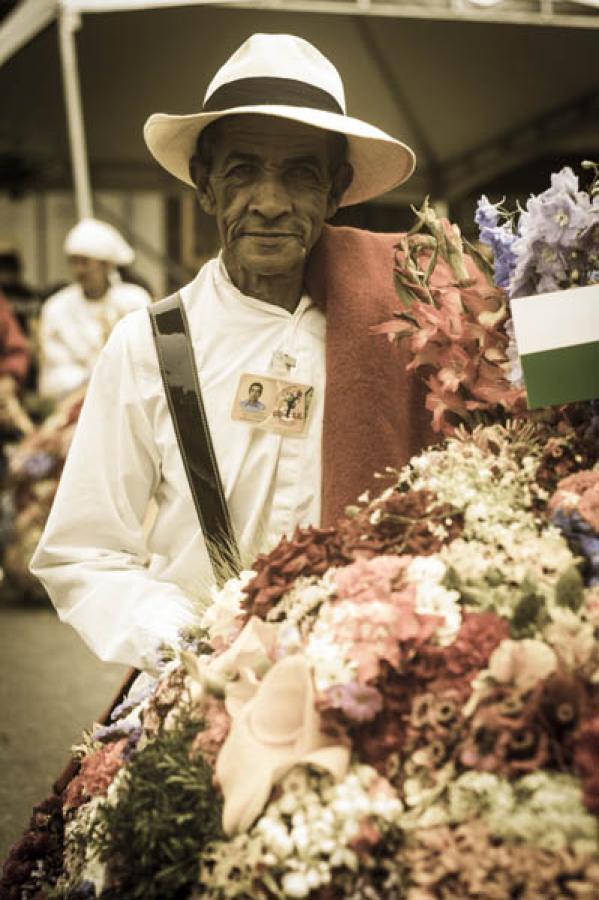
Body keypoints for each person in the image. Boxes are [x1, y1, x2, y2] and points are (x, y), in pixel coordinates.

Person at [30, 34, 434, 671]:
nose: (269, 203)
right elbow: (84, 554)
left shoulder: (403, 329)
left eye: (301, 173)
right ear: (205, 184)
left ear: (337, 189)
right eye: (243, 169)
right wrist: (193, 641)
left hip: (366, 685)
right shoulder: (148, 346)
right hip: (197, 688)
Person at [38, 218, 151, 400]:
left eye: (85, 262)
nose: (78, 270)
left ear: (108, 265)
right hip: (74, 401)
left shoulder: (134, 302)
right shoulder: (56, 307)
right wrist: (91, 380)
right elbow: (53, 372)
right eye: (73, 262)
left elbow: (146, 358)